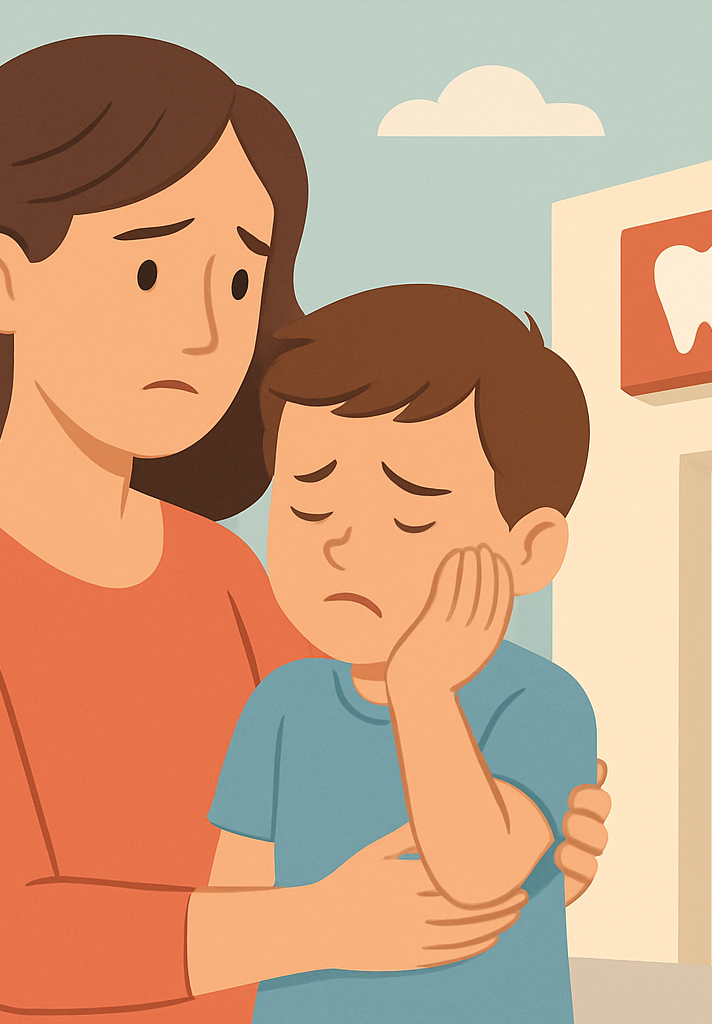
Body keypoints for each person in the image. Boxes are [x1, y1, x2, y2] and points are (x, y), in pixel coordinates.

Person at [0, 36, 611, 1023]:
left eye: (238, 281)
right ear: (1, 279)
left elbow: (361, 806)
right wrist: (320, 925)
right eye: (150, 268)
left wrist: (530, 845)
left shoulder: (228, 573)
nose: (205, 328)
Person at [208, 284, 595, 1022]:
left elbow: (479, 872)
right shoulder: (282, 706)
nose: (341, 542)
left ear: (531, 549)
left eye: (410, 506)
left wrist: (423, 689)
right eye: (308, 501)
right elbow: (235, 915)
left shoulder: (540, 702)